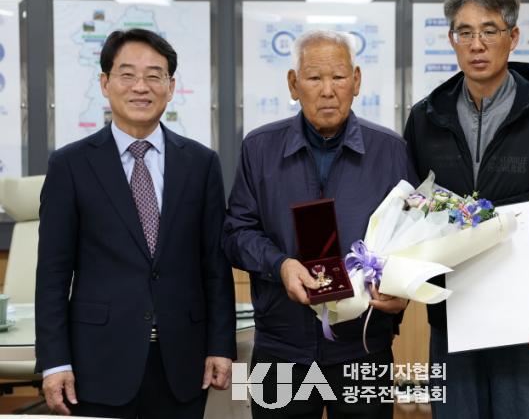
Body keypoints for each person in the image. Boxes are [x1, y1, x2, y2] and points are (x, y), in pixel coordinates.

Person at [404, 0, 529, 419]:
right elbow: (409, 214)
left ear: (513, 37)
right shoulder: (424, 119)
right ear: (452, 39)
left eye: (489, 31)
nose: (477, 45)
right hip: (452, 317)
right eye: (465, 33)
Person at [35, 28, 236, 418]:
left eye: (154, 75)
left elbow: (215, 265)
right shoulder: (70, 165)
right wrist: (55, 361)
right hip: (98, 361)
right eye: (127, 75)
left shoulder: (201, 164)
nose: (141, 87)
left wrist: (220, 345)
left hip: (183, 360)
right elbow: (53, 274)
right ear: (105, 83)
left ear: (171, 87)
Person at [223, 30, 414, 418]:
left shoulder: (391, 150)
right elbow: (236, 232)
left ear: (356, 81)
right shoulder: (259, 148)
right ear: (294, 84)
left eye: (338, 77)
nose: (328, 90)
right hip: (280, 346)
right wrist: (280, 265)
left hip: (363, 346)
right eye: (314, 78)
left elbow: (409, 239)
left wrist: (402, 293)